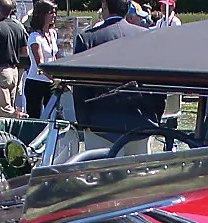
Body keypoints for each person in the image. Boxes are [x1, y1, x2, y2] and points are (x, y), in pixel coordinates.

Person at [73, 0, 161, 154]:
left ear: (105, 6)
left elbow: (80, 86)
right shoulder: (148, 37)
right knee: (137, 176)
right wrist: (154, 116)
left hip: (100, 124)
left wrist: (84, 121)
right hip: (140, 121)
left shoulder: (88, 39)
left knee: (101, 177)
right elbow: (159, 80)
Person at [24, 0, 56, 117]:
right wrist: (55, 78)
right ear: (42, 15)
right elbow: (40, 64)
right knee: (35, 117)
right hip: (36, 82)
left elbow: (56, 57)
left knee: (53, 116)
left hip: (50, 83)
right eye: (50, 12)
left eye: (54, 12)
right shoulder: (35, 37)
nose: (54, 15)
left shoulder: (52, 34)